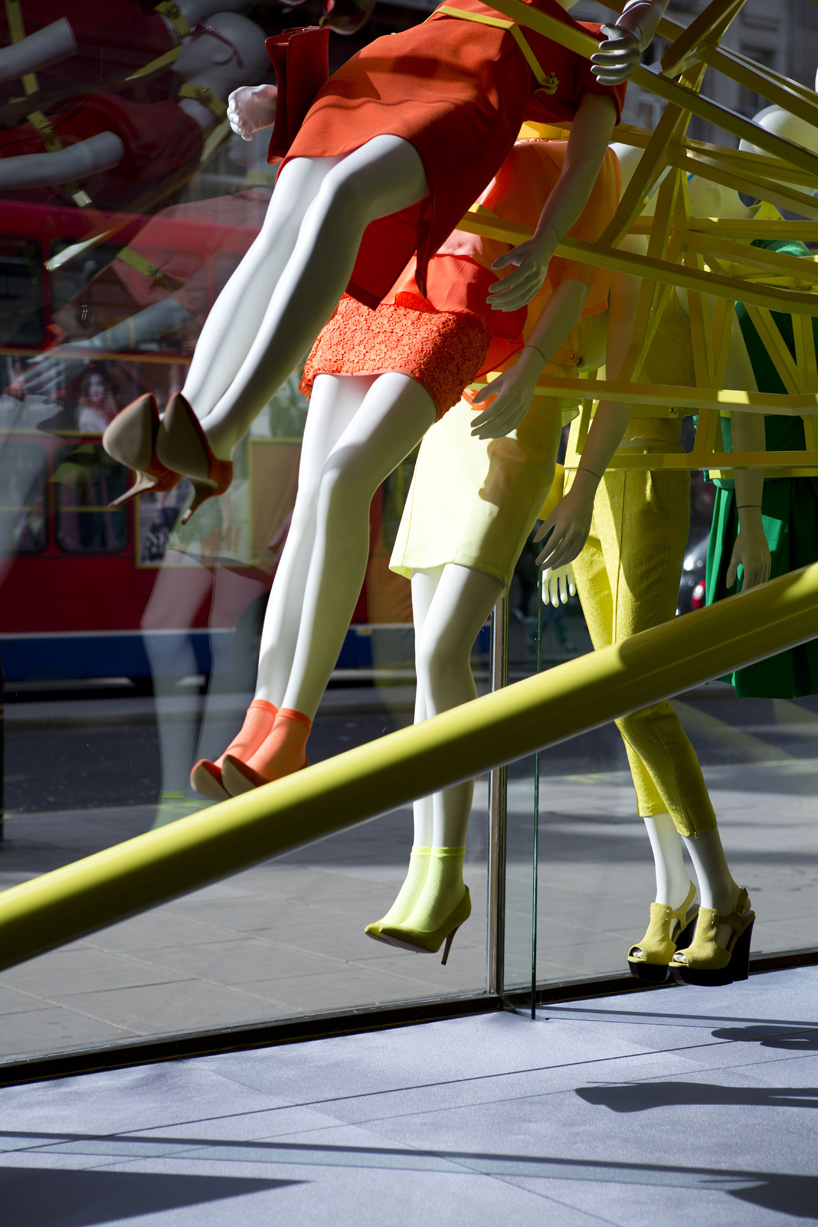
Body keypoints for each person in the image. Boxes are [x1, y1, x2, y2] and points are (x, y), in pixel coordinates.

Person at [101, 0, 668, 519]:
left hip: (472, 89)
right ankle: (187, 424)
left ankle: (218, 437)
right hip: (387, 65)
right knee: (278, 232)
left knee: (343, 197)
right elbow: (414, 33)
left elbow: (584, 163)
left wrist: (546, 240)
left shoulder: (593, 44)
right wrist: (277, 97)